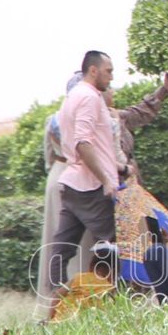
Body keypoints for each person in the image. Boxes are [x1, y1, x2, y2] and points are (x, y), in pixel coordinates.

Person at [35, 70, 168, 319]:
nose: (110, 91)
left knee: (79, 247)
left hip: (77, 181)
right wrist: (117, 173)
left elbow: (140, 112)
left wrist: (163, 91)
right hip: (97, 185)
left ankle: (72, 304)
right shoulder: (87, 119)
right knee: (108, 247)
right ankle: (82, 304)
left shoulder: (101, 116)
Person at [45, 52, 124, 319]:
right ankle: (113, 307)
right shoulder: (90, 97)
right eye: (108, 71)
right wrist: (106, 179)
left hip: (72, 182)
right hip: (90, 186)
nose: (111, 76)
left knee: (62, 246)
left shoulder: (73, 96)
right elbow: (82, 142)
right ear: (93, 70)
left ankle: (55, 303)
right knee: (115, 246)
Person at [50, 240, 119, 322]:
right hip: (85, 325)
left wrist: (49, 319)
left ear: (92, 264)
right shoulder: (109, 288)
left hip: (62, 320)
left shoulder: (79, 278)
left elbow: (56, 297)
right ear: (114, 271)